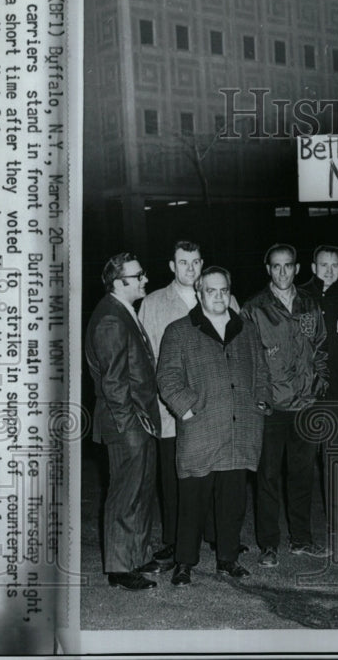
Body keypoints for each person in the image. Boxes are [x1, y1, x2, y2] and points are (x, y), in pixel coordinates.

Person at [156, 267, 271, 586]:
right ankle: (184, 562)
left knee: (233, 499)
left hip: (239, 429)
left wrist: (260, 401)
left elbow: (261, 371)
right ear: (199, 293)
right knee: (192, 500)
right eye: (211, 291)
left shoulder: (246, 328)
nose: (218, 296)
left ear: (229, 292)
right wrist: (188, 410)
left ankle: (228, 559)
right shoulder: (179, 330)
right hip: (201, 430)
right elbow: (167, 379)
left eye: (223, 290)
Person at [139, 240, 241, 563]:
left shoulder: (225, 297)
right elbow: (146, 359)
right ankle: (175, 540)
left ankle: (216, 536)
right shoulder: (154, 303)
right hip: (173, 410)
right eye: (183, 263)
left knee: (216, 474)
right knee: (175, 479)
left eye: (196, 262)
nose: (191, 269)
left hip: (216, 409)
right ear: (172, 266)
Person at [241, 244, 331, 567]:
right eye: (276, 266)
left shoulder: (309, 304)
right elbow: (245, 358)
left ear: (296, 269)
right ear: (268, 269)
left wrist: (319, 383)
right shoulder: (254, 308)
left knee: (302, 474)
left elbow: (321, 346)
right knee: (267, 476)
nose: (282, 272)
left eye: (288, 266)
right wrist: (258, 397)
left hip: (305, 404)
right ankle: (268, 544)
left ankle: (302, 539)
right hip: (271, 407)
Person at [84, 253, 162, 590]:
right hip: (126, 423)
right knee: (125, 494)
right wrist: (132, 425)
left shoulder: (120, 311)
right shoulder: (111, 319)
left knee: (141, 490)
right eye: (139, 274)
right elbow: (113, 383)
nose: (145, 278)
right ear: (120, 283)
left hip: (137, 420)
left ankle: (137, 555)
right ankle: (119, 567)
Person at [298, 245, 338, 539]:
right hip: (304, 390)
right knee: (303, 457)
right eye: (324, 265)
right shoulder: (299, 296)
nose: (329, 270)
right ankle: (301, 528)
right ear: (313, 267)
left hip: (337, 389)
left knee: (334, 456)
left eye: (335, 265)